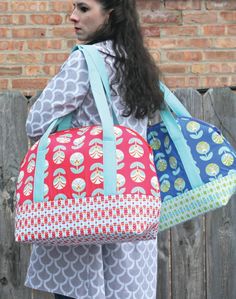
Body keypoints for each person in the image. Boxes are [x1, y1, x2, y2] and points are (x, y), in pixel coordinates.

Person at [25, 1, 164, 298]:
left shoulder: (86, 60)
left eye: (84, 8)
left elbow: (35, 122)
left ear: (110, 13)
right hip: (131, 216)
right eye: (74, 7)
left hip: (84, 213)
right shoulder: (135, 61)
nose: (73, 16)